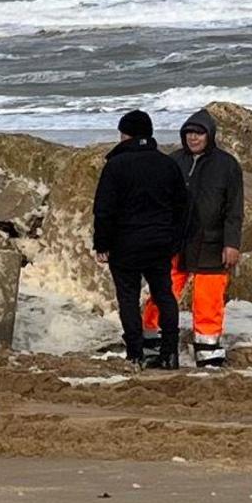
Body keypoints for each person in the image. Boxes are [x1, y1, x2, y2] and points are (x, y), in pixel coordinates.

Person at [89, 107, 192, 367]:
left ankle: (136, 354)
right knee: (164, 294)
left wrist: (102, 244)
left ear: (125, 136)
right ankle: (169, 353)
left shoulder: (115, 165)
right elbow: (182, 206)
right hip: (160, 243)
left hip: (125, 245)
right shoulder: (167, 164)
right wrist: (175, 241)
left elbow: (104, 209)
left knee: (128, 298)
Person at [172, 108, 245, 370]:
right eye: (189, 133)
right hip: (177, 241)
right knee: (163, 292)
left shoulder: (227, 165)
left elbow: (234, 209)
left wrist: (232, 243)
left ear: (209, 135)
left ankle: (208, 351)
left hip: (214, 242)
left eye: (199, 133)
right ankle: (153, 341)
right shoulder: (174, 161)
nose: (193, 138)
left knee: (209, 298)